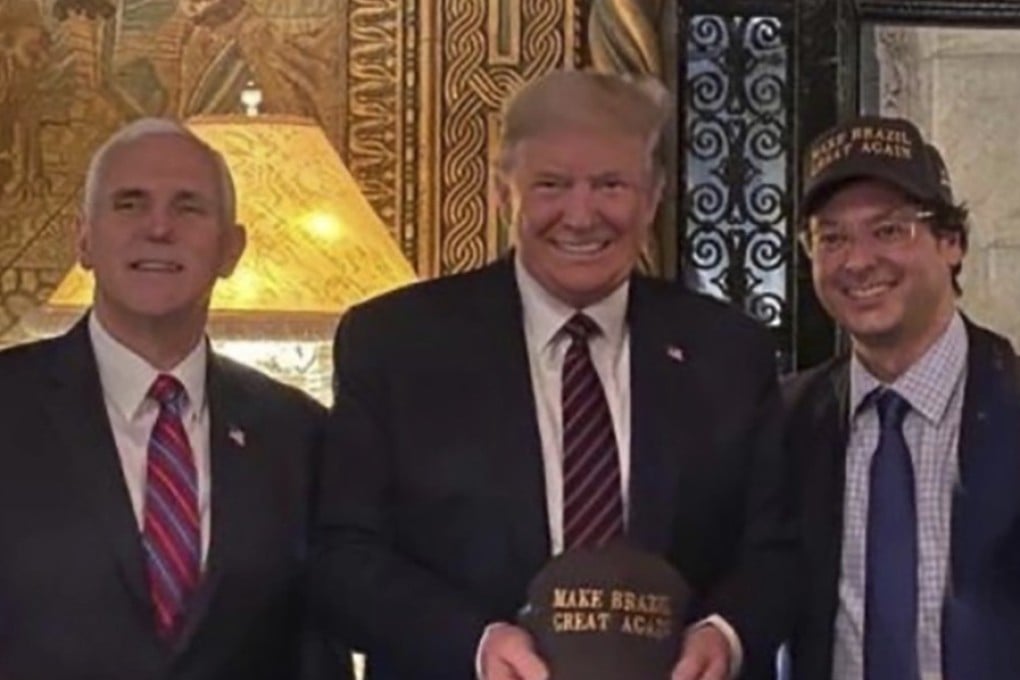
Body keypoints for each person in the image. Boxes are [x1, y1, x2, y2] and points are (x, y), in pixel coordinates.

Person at [312, 68, 796, 680]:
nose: (581, 214)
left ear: (653, 196)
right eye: (550, 184)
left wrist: (726, 634)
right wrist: (476, 644)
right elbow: (343, 558)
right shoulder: (395, 344)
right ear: (501, 191)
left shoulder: (730, 351)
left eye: (611, 184)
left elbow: (774, 551)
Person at [0, 118, 354, 680]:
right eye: (129, 204)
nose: (159, 227)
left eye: (188, 207)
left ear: (231, 250)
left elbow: (317, 647)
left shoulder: (298, 432)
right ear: (83, 240)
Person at [784, 115, 1020, 679]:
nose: (858, 261)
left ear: (952, 243)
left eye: (889, 230)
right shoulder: (784, 423)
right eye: (831, 237)